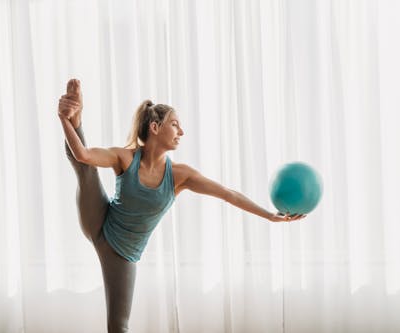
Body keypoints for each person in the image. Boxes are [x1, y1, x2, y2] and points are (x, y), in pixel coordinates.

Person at [58, 78, 305, 333]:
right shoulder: (125, 157)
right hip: (100, 220)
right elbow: (83, 155)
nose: (181, 132)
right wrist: (65, 121)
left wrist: (270, 216)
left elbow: (229, 194)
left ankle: (73, 117)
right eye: (175, 124)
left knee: (118, 327)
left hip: (123, 253)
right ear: (155, 127)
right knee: (85, 170)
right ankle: (76, 116)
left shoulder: (180, 175)